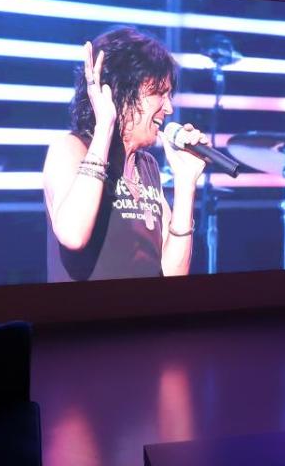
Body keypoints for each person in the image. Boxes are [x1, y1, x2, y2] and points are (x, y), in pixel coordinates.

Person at [43, 26, 209, 281]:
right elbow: (72, 235)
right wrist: (104, 127)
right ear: (119, 93)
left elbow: (174, 273)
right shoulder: (72, 148)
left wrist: (186, 183)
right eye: (159, 93)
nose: (168, 108)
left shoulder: (148, 167)